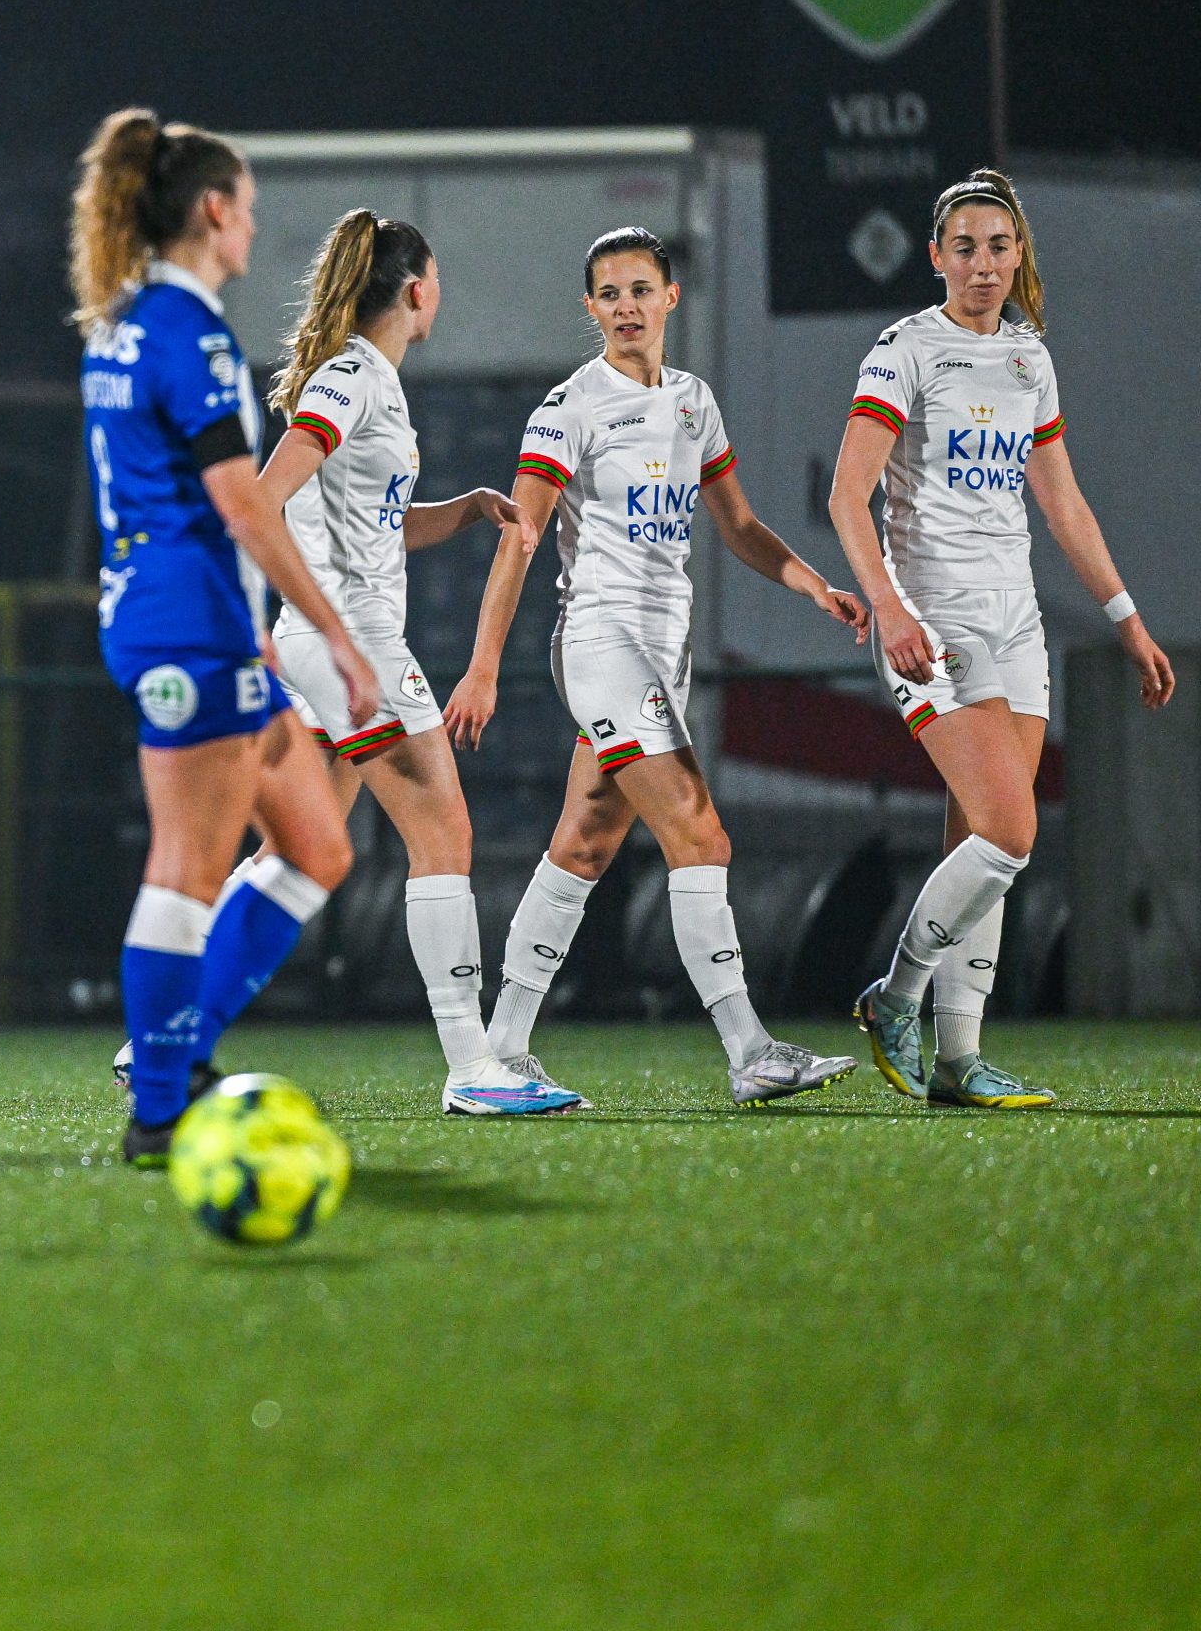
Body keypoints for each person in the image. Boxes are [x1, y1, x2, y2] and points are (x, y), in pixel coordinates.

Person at [445, 226, 868, 1106]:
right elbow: (519, 542)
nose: (626, 306)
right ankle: (748, 1048)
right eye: (609, 293)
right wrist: (483, 666)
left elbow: (739, 525)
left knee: (586, 843)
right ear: (590, 308)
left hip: (661, 650)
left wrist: (812, 584)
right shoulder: (569, 408)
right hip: (601, 642)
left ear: (671, 298)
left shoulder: (693, 402)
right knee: (700, 831)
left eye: (642, 289)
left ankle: (500, 1047)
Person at [827, 170, 1174, 1107]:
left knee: (979, 842)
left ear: (1020, 255)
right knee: (1010, 828)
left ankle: (958, 1058)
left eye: (999, 246)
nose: (984, 265)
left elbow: (1061, 503)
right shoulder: (904, 352)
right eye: (965, 248)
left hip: (1015, 619)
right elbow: (846, 497)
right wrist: (890, 608)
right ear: (937, 256)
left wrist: (1126, 619)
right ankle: (894, 996)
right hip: (932, 617)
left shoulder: (1029, 359)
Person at [67, 108, 365, 1168]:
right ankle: (157, 1108)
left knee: (319, 845)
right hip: (187, 627)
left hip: (189, 621)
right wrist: (337, 636)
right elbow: (244, 507)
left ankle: (179, 1054)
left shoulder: (124, 322)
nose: (252, 232)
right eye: (246, 211)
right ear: (212, 211)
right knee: (187, 868)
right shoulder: (190, 335)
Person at [257, 210, 579, 1112]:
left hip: (317, 644)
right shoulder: (355, 376)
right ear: (417, 291)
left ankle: (170, 1018)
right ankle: (475, 1067)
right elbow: (265, 493)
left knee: (303, 850)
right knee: (444, 835)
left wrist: (467, 508)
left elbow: (376, 526)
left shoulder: (368, 384)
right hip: (350, 644)